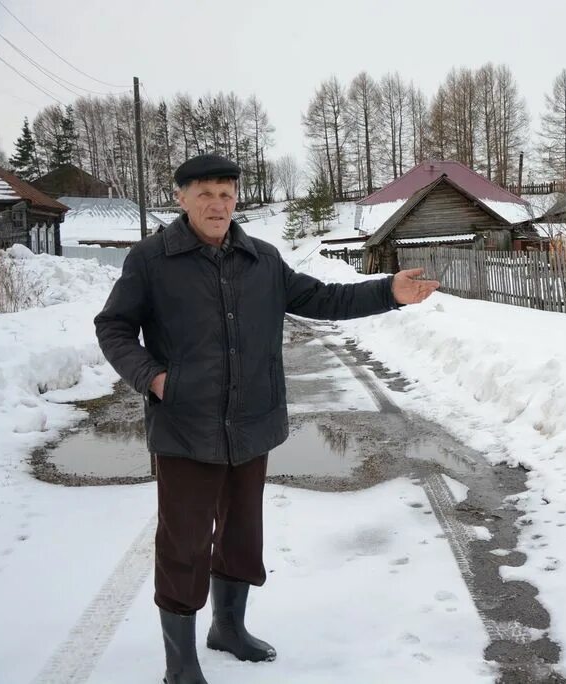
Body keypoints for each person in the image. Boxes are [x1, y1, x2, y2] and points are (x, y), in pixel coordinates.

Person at [94, 153, 438, 684]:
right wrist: (156, 379)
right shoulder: (151, 260)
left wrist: (388, 292)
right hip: (185, 426)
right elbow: (114, 327)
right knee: (183, 544)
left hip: (252, 422)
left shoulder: (261, 259)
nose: (217, 204)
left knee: (241, 534)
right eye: (204, 193)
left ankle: (227, 628)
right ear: (181, 197)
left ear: (237, 200)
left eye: (226, 194)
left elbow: (322, 298)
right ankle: (179, 664)